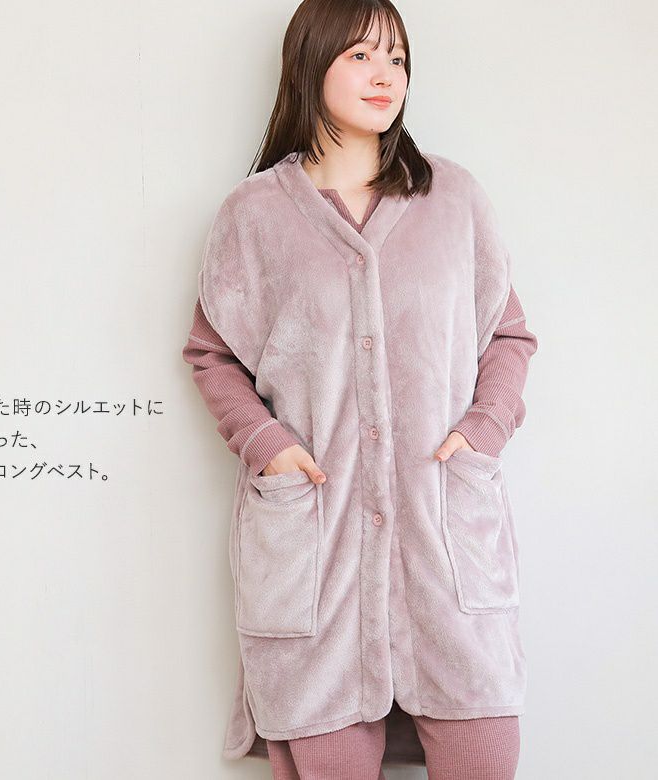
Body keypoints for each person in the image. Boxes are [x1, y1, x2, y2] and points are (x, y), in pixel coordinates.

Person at [182, 1, 538, 778]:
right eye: (361, 56)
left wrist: (481, 431)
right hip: (317, 560)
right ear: (311, 62)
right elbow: (212, 354)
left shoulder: (454, 200)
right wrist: (269, 446)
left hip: (446, 549)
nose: (386, 75)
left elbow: (508, 336)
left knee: (481, 746)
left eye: (397, 58)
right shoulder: (254, 216)